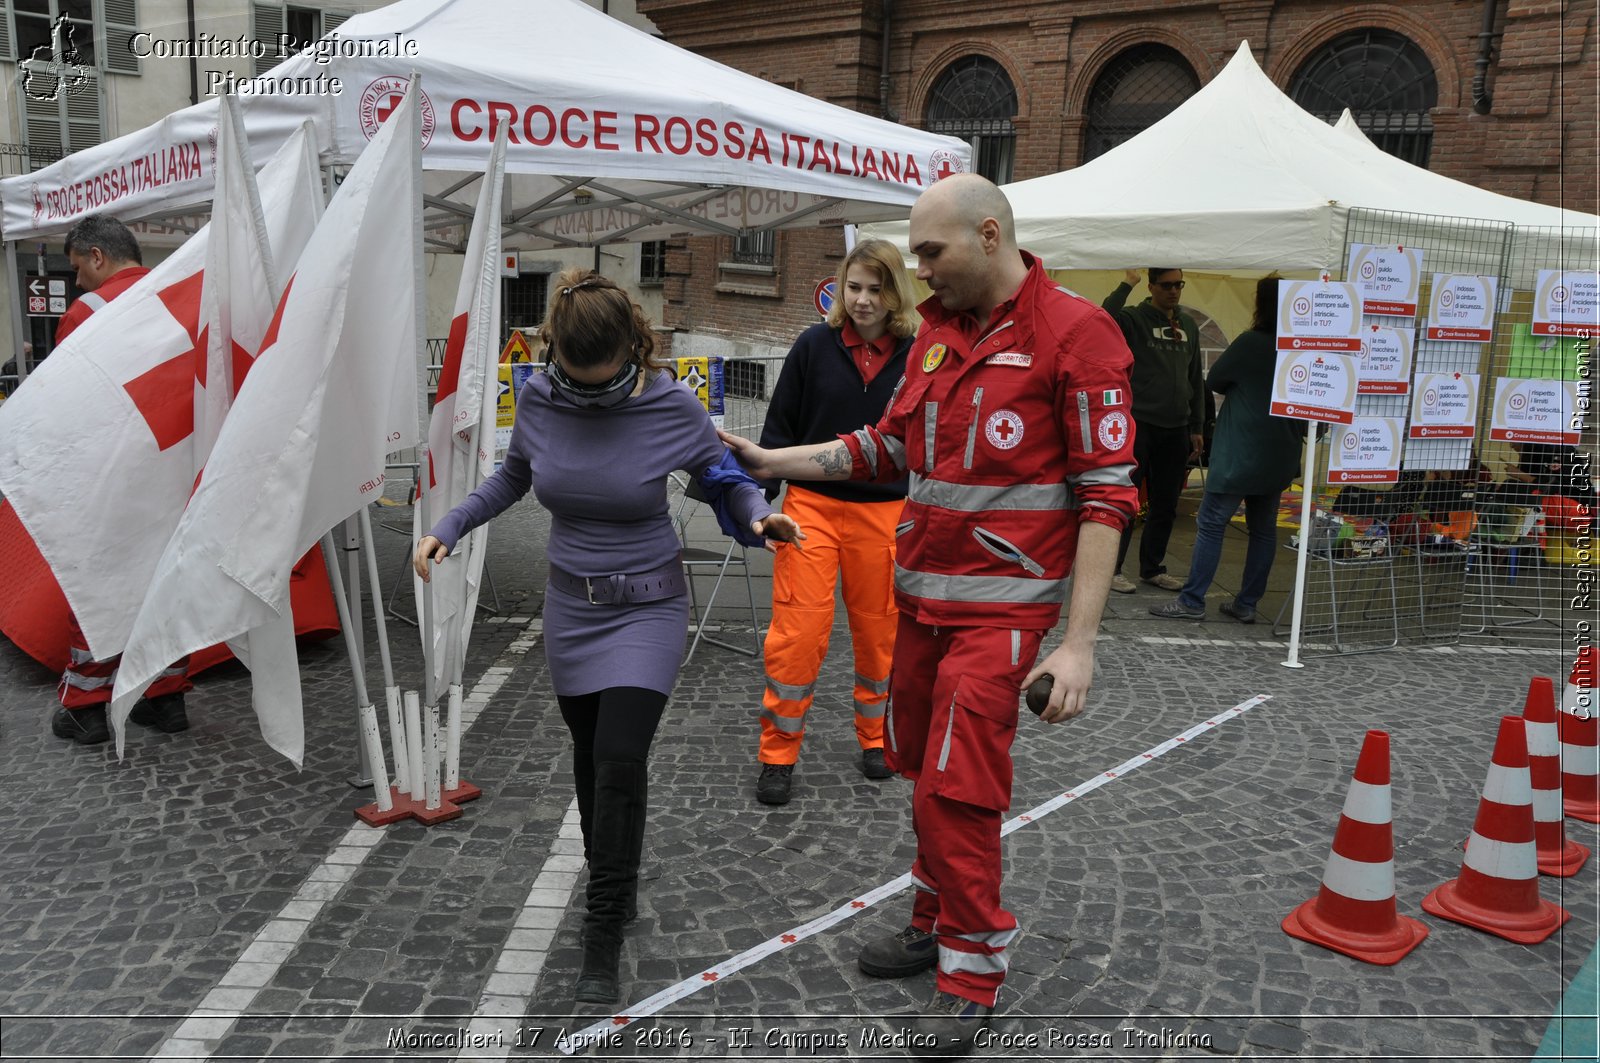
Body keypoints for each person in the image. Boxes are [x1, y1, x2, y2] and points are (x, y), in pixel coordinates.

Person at [719, 173, 1137, 1058]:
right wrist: (769, 455)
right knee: (922, 771)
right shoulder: (941, 338)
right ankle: (931, 914)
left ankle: (972, 972)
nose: (918, 270)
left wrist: (1079, 645)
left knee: (959, 788)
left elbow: (1107, 496)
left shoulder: (1078, 334)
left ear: (990, 235)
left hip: (1000, 625)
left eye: (931, 252)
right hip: (922, 607)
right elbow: (888, 446)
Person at [414, 269, 800, 1006]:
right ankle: (611, 871)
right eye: (575, 377)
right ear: (554, 353)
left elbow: (721, 477)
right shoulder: (537, 395)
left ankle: (602, 927)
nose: (589, 391)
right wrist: (449, 524)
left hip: (648, 608)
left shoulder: (671, 405)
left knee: (620, 757)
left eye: (604, 379)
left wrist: (757, 515)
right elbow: (513, 479)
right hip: (571, 608)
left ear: (634, 348)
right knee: (592, 761)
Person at [752, 238, 915, 806]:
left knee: (882, 637)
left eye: (876, 288)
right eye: (854, 287)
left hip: (885, 515)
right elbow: (779, 430)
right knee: (796, 637)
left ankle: (876, 738)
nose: (864, 300)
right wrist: (758, 506)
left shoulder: (919, 353)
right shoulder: (812, 346)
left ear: (896, 292)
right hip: (809, 510)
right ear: (840, 289)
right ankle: (778, 754)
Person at [51, 214, 192, 745]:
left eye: (78, 269)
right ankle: (165, 697)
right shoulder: (177, 296)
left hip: (110, 472)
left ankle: (88, 703)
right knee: (166, 585)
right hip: (175, 465)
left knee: (96, 584)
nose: (78, 282)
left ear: (96, 256)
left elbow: (68, 401)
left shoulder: (87, 311)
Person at [1148, 274, 1302, 623]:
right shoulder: (1300, 349)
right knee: (1263, 529)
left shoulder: (1251, 342)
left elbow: (1215, 380)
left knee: (1212, 522)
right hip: (1282, 450)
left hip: (1242, 451)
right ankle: (1247, 603)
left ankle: (1192, 601)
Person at [1101, 267, 1204, 594]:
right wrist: (1125, 284)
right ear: (1152, 286)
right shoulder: (1134, 318)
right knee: (1127, 500)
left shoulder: (1187, 324)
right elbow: (1103, 317)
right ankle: (1112, 569)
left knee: (1166, 503)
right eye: (1167, 285)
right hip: (1139, 423)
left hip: (1177, 427)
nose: (1174, 291)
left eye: (1179, 285)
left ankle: (1152, 568)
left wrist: (1197, 425)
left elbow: (1195, 377)